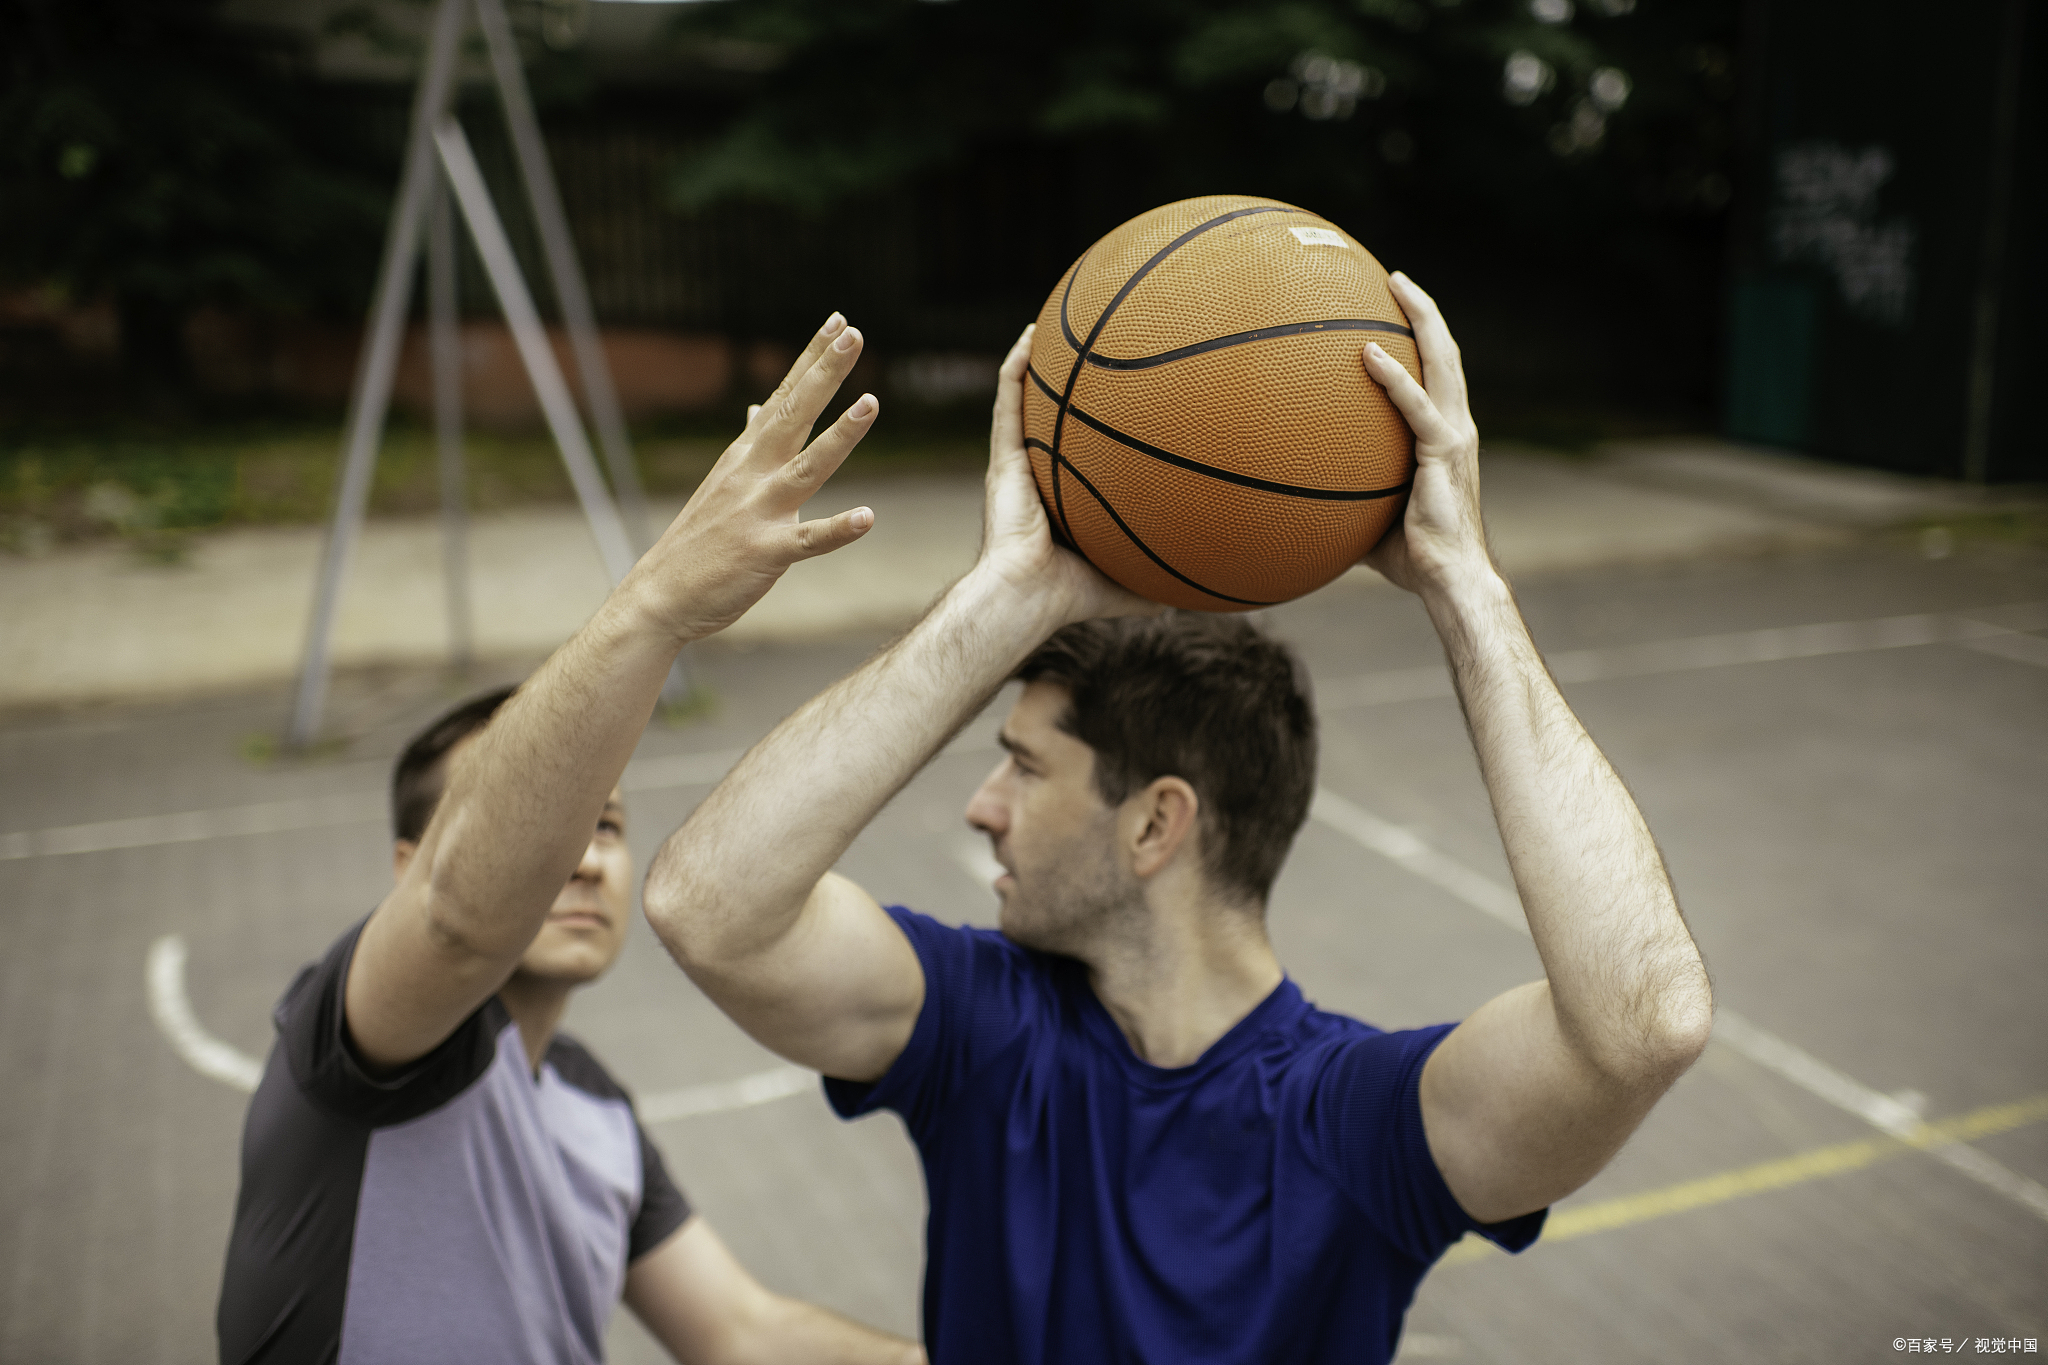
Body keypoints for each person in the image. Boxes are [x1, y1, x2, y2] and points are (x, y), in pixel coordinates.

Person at [641, 274, 1716, 1364]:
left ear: (1156, 826)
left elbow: (1643, 1023)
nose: (980, 809)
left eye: (1021, 767)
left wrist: (1465, 584)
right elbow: (706, 905)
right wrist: (1007, 597)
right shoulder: (986, 1030)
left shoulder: (1354, 1123)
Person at [216, 314, 922, 1365]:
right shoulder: (357, 1041)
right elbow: (461, 923)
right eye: (547, 831)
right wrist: (656, 605)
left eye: (606, 826)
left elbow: (742, 1332)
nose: (580, 855)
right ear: (408, 871)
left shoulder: (588, 1100)